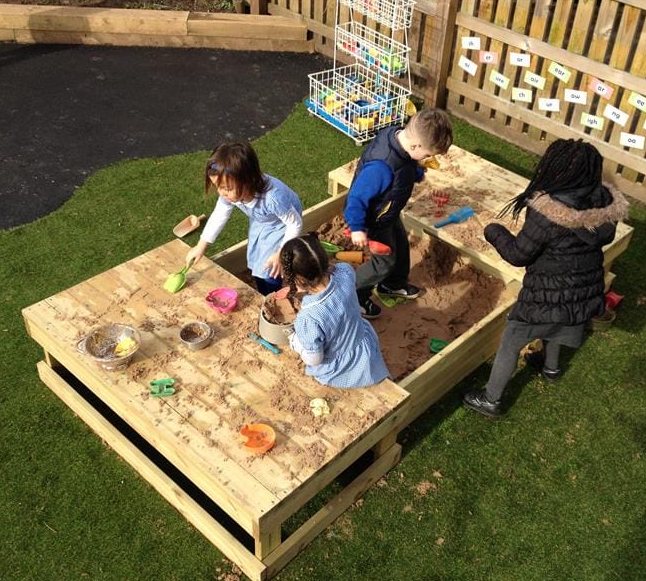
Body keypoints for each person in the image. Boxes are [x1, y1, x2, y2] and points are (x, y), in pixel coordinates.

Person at [463, 139, 629, 419]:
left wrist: (494, 231)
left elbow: (519, 254)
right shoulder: (605, 203)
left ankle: (491, 399)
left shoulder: (547, 212)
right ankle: (550, 367)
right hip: (583, 289)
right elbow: (606, 236)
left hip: (545, 292)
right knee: (560, 324)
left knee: (512, 339)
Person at [344, 108, 453, 318]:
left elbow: (405, 164)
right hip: (371, 220)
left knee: (401, 244)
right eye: (427, 154)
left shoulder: (399, 139)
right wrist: (357, 228)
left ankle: (392, 285)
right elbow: (356, 198)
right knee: (383, 262)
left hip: (388, 213)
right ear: (415, 145)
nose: (427, 158)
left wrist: (415, 172)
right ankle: (354, 296)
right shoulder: (380, 168)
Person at [186, 141, 302, 295]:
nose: (221, 193)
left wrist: (281, 253)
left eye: (227, 188)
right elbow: (219, 214)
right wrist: (201, 246)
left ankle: (274, 295)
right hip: (263, 219)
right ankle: (264, 290)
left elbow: (295, 224)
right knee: (256, 258)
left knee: (272, 266)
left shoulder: (273, 198)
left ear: (248, 181)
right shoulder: (230, 193)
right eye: (217, 187)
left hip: (282, 223)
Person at [281, 233, 390, 388]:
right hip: (363, 344)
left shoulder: (308, 318)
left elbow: (314, 359)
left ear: (297, 280)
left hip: (339, 368)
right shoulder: (345, 271)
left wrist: (295, 341)